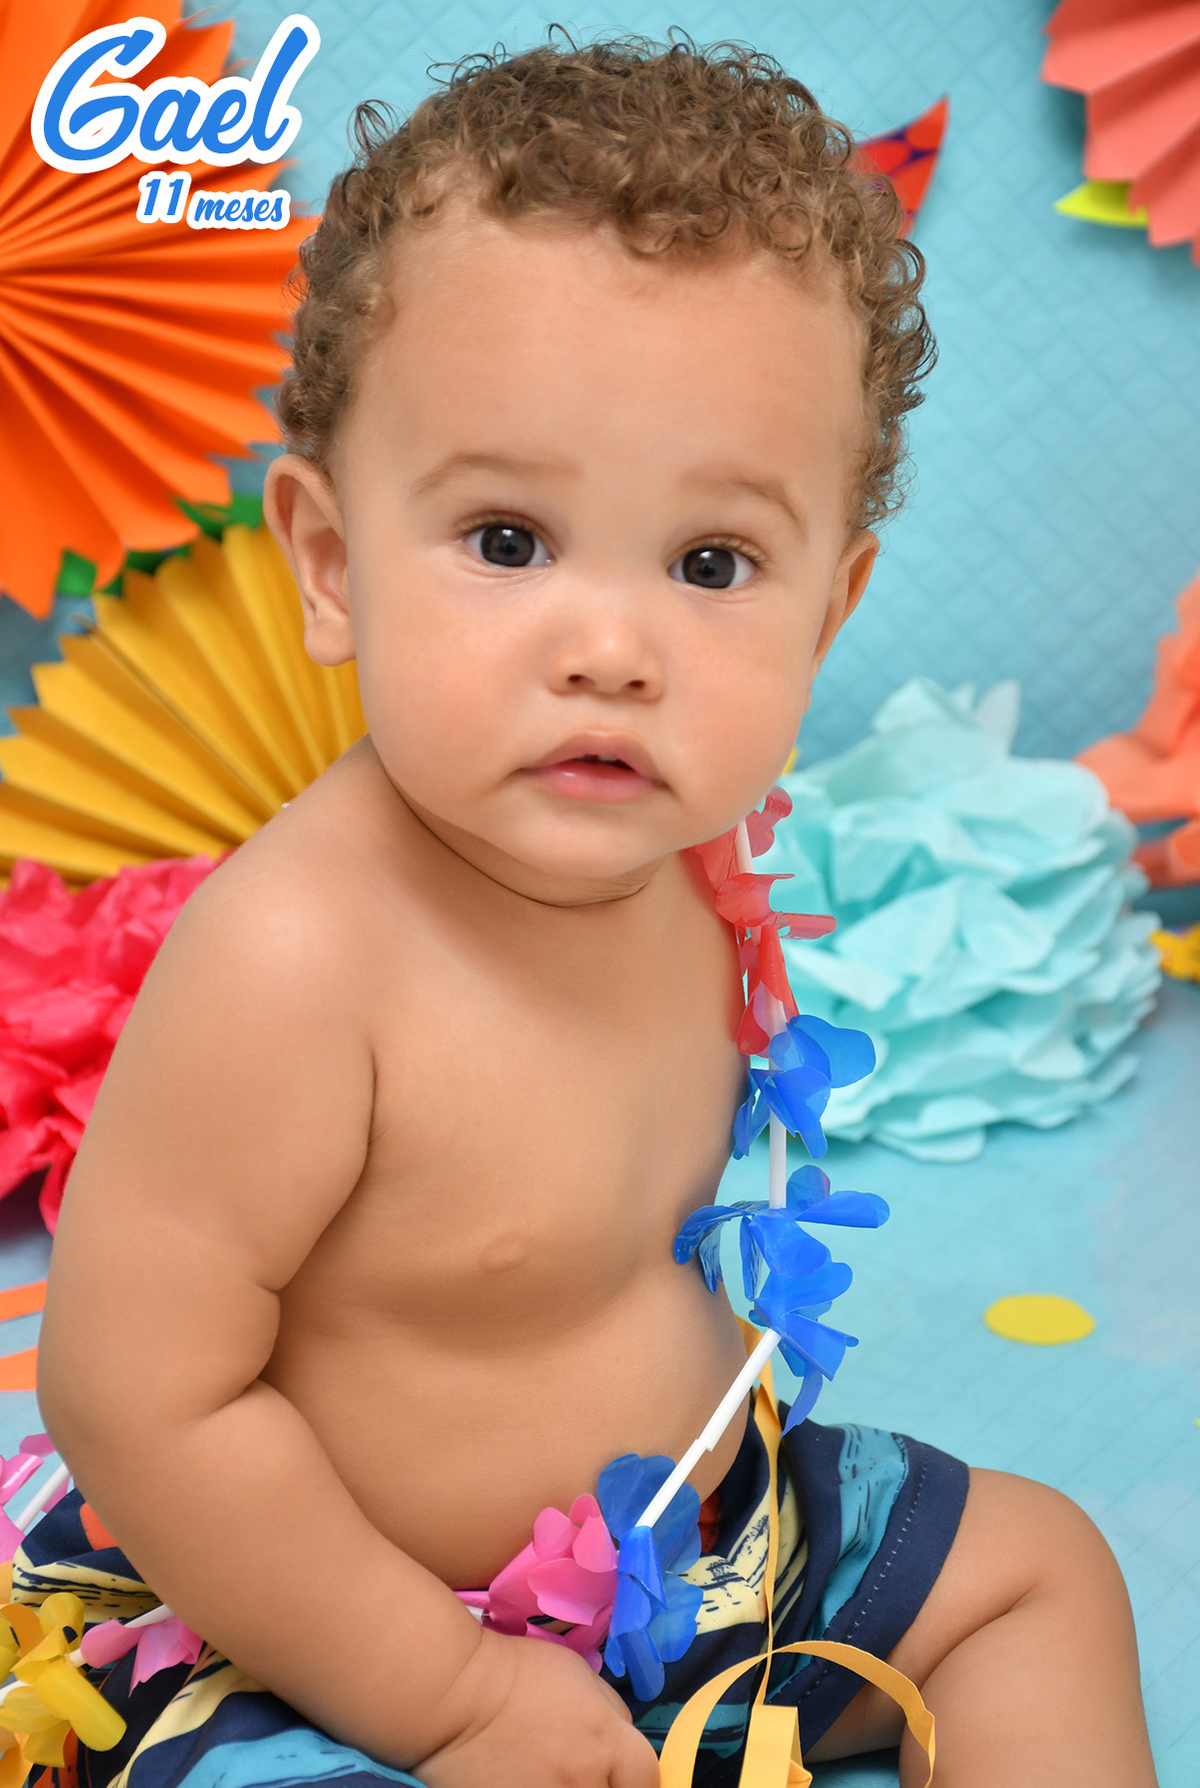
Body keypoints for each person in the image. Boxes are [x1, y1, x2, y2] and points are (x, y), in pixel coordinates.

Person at [34, 37, 1157, 1788]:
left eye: (712, 565)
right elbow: (134, 1398)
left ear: (828, 609)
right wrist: (450, 1697)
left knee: (1042, 1576)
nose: (614, 648)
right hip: (320, 1621)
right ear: (331, 564)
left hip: (695, 1560)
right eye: (506, 539)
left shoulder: (706, 875)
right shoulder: (298, 960)